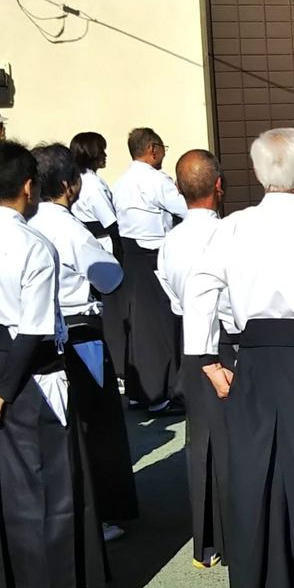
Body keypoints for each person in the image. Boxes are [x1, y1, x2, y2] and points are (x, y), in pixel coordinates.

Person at [183, 127, 294, 588]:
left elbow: (199, 288)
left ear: (256, 173)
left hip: (251, 358)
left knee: (257, 477)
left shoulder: (232, 228)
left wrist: (207, 359)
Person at [0, 140, 107, 588]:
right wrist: (2, 392)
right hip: (30, 373)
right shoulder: (33, 245)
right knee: (49, 484)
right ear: (27, 186)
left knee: (2, 483)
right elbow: (35, 329)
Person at [29, 143, 136, 537]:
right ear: (68, 184)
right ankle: (97, 513)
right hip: (78, 328)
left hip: (32, 335)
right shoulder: (68, 228)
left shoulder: (26, 222)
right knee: (94, 425)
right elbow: (109, 278)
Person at [157, 149, 233, 570]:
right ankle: (239, 531)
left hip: (191, 343)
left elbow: (173, 297)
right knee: (237, 438)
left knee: (200, 440)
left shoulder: (170, 240)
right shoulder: (229, 233)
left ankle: (207, 542)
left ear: (178, 189)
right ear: (219, 186)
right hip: (228, 343)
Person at [112, 126, 186, 412]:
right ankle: (160, 394)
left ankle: (138, 391)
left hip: (130, 254)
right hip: (153, 254)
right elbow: (186, 207)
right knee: (160, 326)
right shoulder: (155, 180)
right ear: (153, 149)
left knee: (138, 323)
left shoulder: (121, 181)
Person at [70, 131, 125, 372]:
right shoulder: (92, 184)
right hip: (102, 242)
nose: (105, 155)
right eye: (101, 151)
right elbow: (111, 222)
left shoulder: (78, 179)